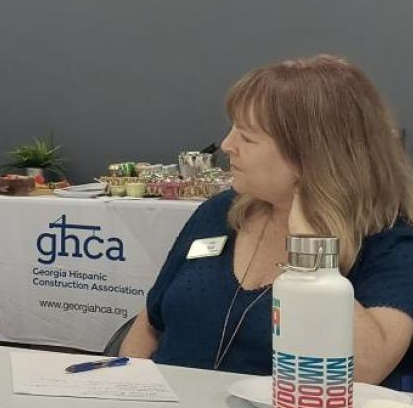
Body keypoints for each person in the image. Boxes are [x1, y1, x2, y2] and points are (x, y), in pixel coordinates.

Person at [122, 55, 413, 387]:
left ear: (311, 156)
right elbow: (150, 323)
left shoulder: (389, 241)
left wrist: (310, 248)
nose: (228, 146)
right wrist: (123, 394)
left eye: (247, 138)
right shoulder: (219, 212)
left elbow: (365, 370)